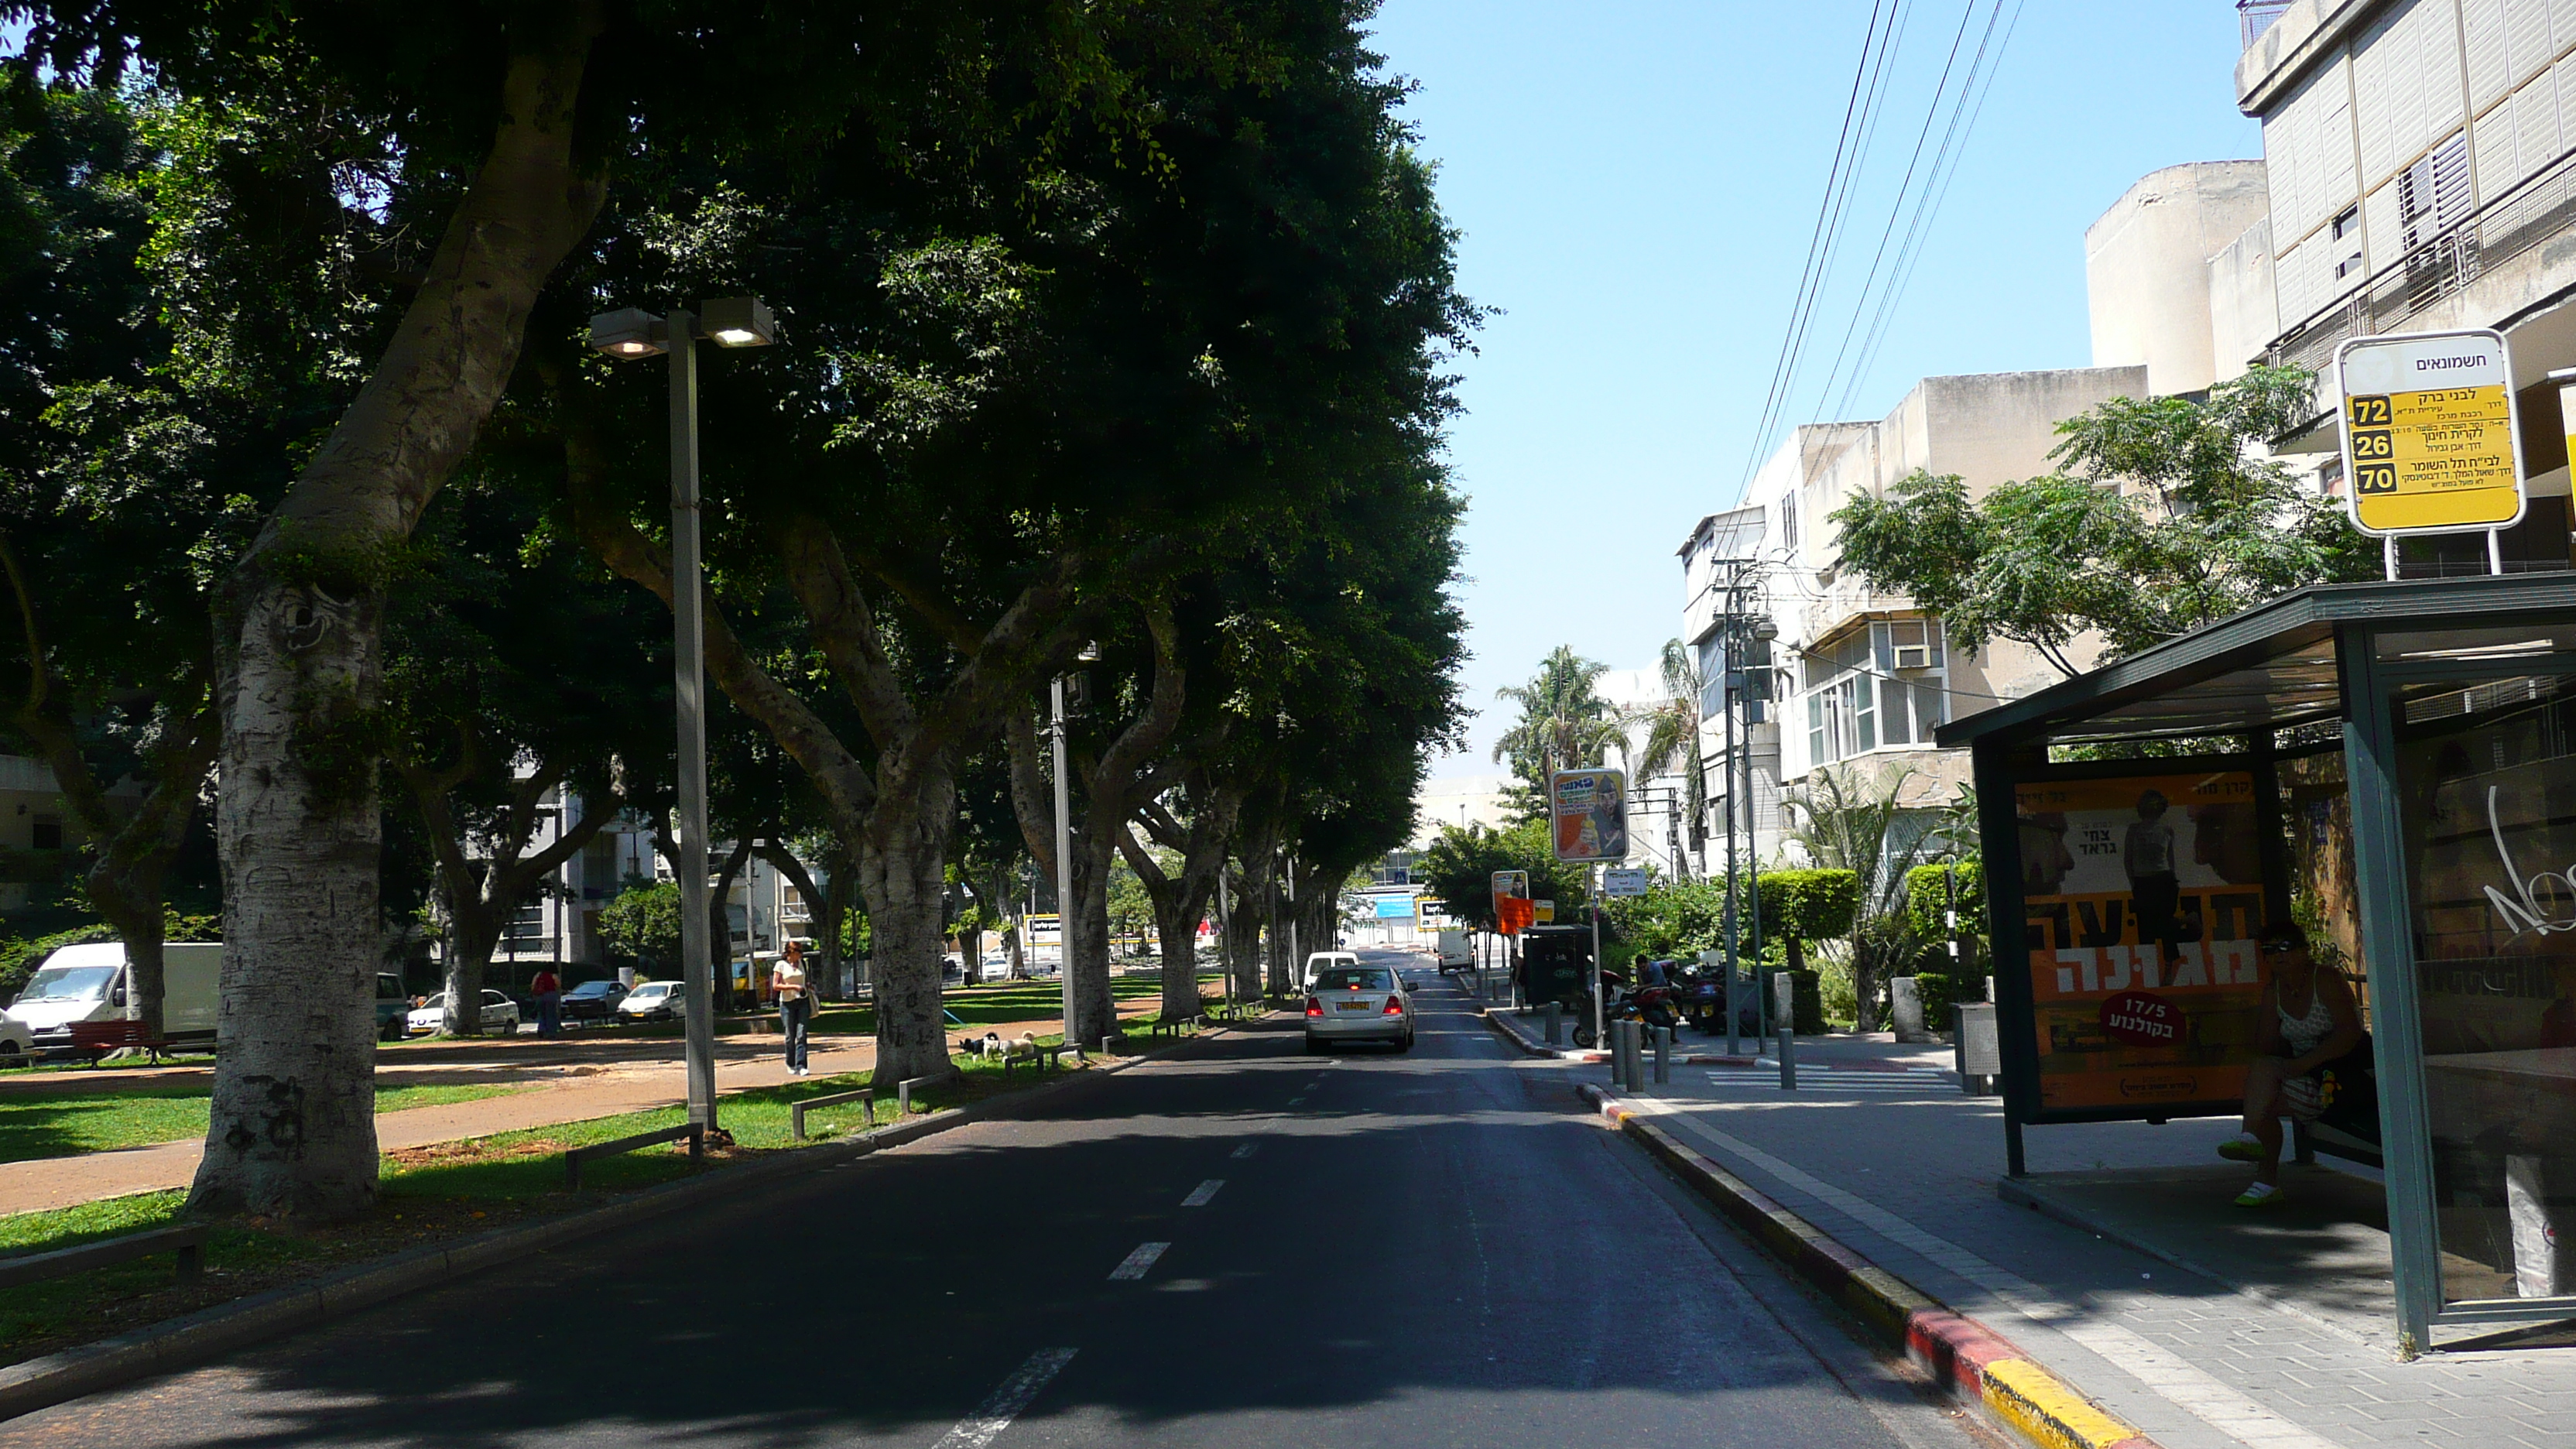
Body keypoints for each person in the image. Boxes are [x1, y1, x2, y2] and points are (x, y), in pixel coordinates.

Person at [2217, 921, 2365, 1208]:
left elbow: (2349, 1033)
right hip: (2306, 1077)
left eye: (2286, 947)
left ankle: (2263, 1173)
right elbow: (2266, 1046)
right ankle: (2258, 1162)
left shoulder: (2325, 979)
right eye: (2270, 951)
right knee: (2262, 1085)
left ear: (2303, 951)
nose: (2278, 955)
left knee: (2263, 1106)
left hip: (2343, 1079)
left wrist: (2305, 1062)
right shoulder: (2274, 991)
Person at [772, 941, 813, 1077]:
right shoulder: (780, 965)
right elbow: (776, 986)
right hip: (787, 1003)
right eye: (798, 952)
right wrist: (793, 987)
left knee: (802, 1034)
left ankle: (801, 1065)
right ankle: (790, 1064)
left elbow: (805, 980)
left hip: (803, 1001)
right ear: (790, 953)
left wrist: (809, 986)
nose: (800, 955)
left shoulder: (803, 964)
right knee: (791, 1035)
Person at [529, 965, 562, 1038]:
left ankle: (541, 1029)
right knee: (551, 1014)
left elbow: (533, 985)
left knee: (542, 1014)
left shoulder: (538, 975)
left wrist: (534, 993)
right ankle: (551, 1033)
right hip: (551, 995)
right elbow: (558, 985)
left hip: (540, 996)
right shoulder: (553, 975)